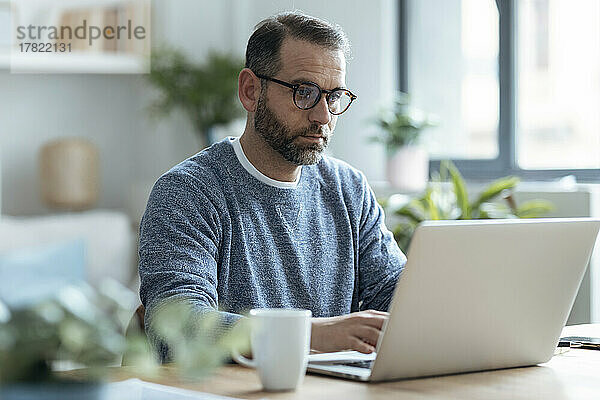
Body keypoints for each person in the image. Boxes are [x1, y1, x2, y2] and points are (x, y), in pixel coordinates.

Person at [139, 11, 406, 361]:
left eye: (334, 96)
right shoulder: (187, 193)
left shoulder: (349, 189)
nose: (323, 116)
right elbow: (178, 327)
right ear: (251, 91)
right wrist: (315, 335)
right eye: (304, 92)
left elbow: (396, 297)